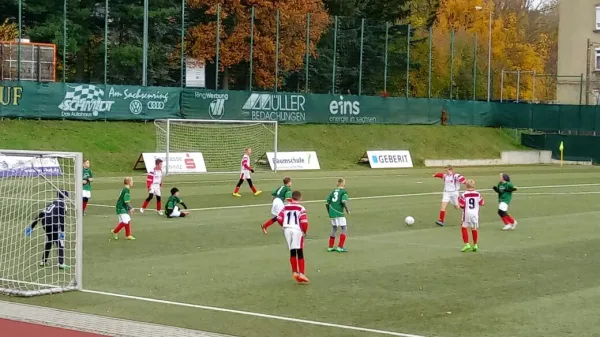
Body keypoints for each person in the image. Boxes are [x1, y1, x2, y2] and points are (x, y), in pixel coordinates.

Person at [25, 190, 70, 269]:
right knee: (60, 241)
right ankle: (61, 263)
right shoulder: (63, 204)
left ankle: (43, 261)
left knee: (50, 240)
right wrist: (62, 231)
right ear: (65, 197)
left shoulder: (51, 204)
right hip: (53, 223)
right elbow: (62, 218)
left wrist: (32, 226)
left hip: (45, 223)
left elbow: (41, 214)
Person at [276, 191, 309, 283]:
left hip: (287, 230)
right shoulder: (301, 208)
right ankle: (301, 274)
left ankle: (295, 272)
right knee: (300, 251)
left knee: (292, 251)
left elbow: (279, 218)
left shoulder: (285, 206)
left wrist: (284, 225)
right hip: (296, 230)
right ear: (300, 198)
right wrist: (304, 231)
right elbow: (304, 222)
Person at [458, 179, 484, 252]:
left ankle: (467, 244)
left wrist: (459, 201)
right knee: (474, 228)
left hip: (467, 213)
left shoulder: (464, 194)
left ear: (466, 185)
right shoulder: (478, 194)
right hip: (475, 214)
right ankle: (475, 244)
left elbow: (462, 205)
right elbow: (482, 203)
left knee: (464, 227)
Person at [326, 178, 350, 252]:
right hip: (339, 212)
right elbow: (343, 201)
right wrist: (347, 210)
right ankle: (340, 247)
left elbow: (327, 203)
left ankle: (330, 247)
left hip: (332, 211)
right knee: (344, 228)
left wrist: (329, 211)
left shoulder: (333, 191)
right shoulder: (344, 192)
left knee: (334, 228)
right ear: (343, 184)